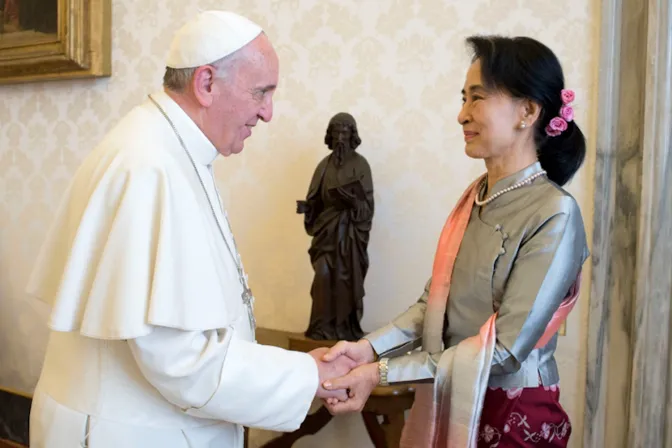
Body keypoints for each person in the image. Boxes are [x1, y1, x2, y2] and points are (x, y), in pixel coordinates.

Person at [26, 10, 354, 448]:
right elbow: (180, 362)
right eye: (260, 92)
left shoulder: (167, 148)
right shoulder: (149, 165)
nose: (267, 112)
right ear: (206, 84)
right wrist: (307, 375)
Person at [320, 35, 589, 448]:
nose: (462, 115)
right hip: (451, 394)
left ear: (528, 111)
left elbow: (505, 352)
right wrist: (366, 350)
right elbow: (434, 308)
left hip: (514, 415)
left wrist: (382, 373)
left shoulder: (554, 212)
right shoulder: (475, 197)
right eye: (463, 99)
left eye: (477, 98)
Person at [297, 112, 374, 341]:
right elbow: (315, 201)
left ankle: (345, 329)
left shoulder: (361, 165)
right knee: (322, 276)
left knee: (345, 281)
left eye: (345, 132)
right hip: (326, 236)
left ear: (352, 135)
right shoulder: (324, 166)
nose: (340, 138)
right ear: (330, 136)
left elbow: (367, 207)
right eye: (336, 132)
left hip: (349, 239)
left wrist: (353, 202)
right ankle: (321, 328)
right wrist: (307, 208)